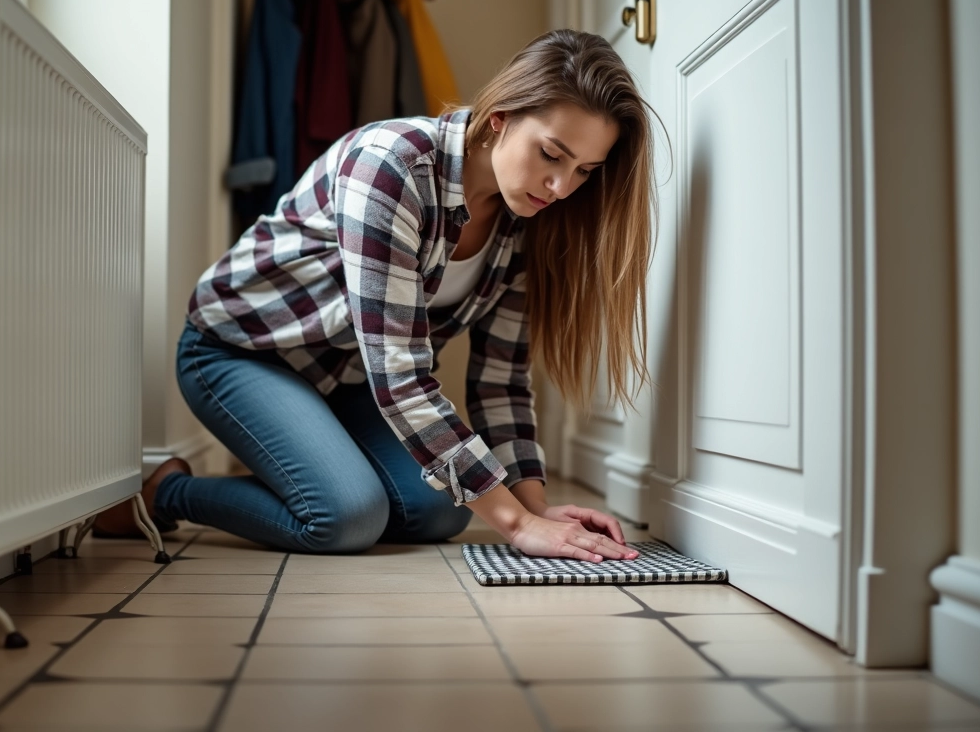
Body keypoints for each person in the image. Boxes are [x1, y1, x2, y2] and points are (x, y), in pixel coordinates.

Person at [94, 29, 658, 563]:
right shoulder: (392, 163)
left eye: (585, 171)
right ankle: (168, 491)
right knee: (345, 517)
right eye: (552, 155)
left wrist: (538, 512)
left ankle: (321, 467)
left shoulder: (530, 220)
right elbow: (399, 374)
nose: (562, 188)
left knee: (441, 509)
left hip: (349, 377)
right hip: (241, 351)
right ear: (500, 118)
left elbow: (500, 380)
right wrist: (515, 526)